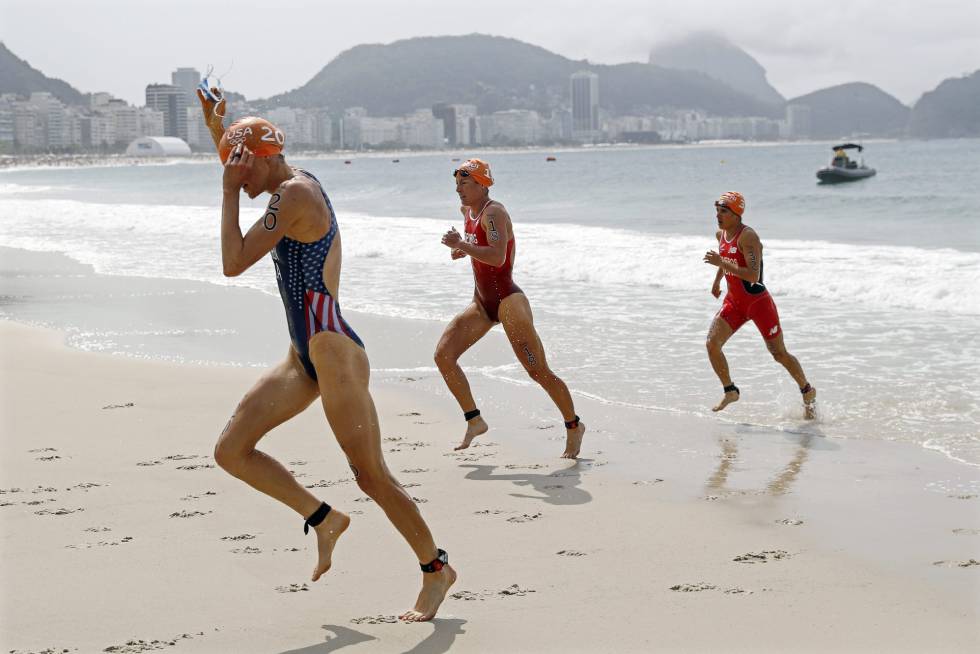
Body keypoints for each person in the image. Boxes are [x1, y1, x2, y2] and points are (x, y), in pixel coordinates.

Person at [196, 88, 455, 622]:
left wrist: (224, 193)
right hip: (301, 355)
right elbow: (246, 166)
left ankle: (436, 569)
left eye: (240, 165)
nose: (235, 174)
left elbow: (232, 262)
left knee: (371, 475)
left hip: (333, 352)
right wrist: (216, 129)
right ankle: (323, 518)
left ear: (263, 159)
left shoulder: (294, 196)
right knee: (231, 450)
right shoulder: (278, 180)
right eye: (231, 163)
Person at [435, 159, 585, 458]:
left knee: (538, 371)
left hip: (508, 302)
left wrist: (462, 246)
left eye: (465, 184)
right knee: (444, 356)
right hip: (481, 302)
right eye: (457, 185)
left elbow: (497, 256)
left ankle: (573, 425)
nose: (458, 190)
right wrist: (461, 248)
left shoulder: (495, 212)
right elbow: (476, 244)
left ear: (482, 184)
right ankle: (474, 420)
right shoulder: (468, 211)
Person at [703, 191, 817, 419]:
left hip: (758, 304)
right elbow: (726, 259)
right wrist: (717, 281)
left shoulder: (749, 237)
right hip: (734, 303)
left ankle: (807, 390)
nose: (718, 215)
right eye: (717, 211)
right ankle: (730, 390)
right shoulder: (721, 235)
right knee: (711, 344)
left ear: (737, 214)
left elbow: (753, 276)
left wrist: (721, 262)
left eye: (723, 211)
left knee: (779, 354)